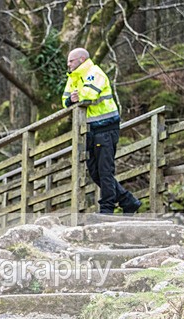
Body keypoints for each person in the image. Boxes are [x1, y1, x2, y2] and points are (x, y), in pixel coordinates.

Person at [63, 48, 141, 215]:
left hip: (105, 128)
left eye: (71, 61)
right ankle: (128, 201)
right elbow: (65, 100)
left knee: (105, 170)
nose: (68, 64)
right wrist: (71, 99)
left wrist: (77, 97)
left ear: (82, 59)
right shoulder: (73, 78)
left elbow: (89, 94)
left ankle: (107, 209)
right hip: (89, 130)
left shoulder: (94, 72)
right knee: (95, 172)